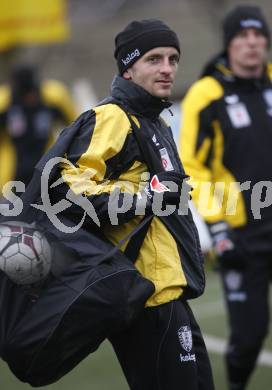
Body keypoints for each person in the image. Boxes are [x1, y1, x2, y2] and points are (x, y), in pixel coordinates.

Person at [25, 19, 213, 390]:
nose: (167, 68)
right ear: (128, 67)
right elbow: (62, 184)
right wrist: (141, 198)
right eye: (154, 58)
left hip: (166, 292)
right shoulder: (112, 117)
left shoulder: (151, 119)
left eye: (173, 58)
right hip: (146, 296)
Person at [179, 5, 272, 390]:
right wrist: (216, 224)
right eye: (243, 37)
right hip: (239, 235)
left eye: (259, 36)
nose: (252, 44)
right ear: (229, 45)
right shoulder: (208, 93)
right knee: (249, 338)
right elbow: (191, 165)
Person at [0, 65, 77, 196]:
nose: (30, 98)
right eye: (26, 95)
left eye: (33, 92)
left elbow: (77, 126)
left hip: (47, 171)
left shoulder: (54, 97)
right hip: (13, 176)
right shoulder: (4, 103)